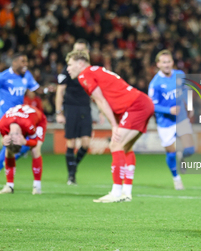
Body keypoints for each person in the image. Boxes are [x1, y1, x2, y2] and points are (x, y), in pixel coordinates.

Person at [66, 50, 154, 203]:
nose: (68, 68)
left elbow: (100, 100)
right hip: (142, 103)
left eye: (70, 64)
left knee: (115, 144)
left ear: (80, 63)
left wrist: (114, 125)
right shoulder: (97, 70)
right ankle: (126, 193)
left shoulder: (84, 74)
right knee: (126, 148)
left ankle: (116, 192)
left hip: (135, 106)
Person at [0, 52, 39, 187]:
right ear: (14, 62)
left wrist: (48, 90)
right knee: (11, 143)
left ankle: (3, 164)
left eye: (26, 61)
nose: (25, 65)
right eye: (23, 61)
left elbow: (36, 89)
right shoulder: (2, 76)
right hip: (6, 117)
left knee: (26, 145)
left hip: (20, 117)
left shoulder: (26, 75)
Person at [148, 50, 195, 190]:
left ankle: (182, 156)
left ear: (172, 62)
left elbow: (186, 90)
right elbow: (152, 105)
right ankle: (176, 178)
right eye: (163, 62)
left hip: (181, 118)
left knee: (190, 149)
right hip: (165, 122)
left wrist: (189, 104)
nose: (167, 64)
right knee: (170, 152)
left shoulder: (180, 75)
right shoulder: (155, 84)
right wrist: (169, 110)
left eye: (168, 61)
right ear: (158, 64)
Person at [55, 39, 92, 185]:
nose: (78, 53)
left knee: (86, 143)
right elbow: (60, 91)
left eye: (81, 51)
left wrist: (101, 111)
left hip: (85, 107)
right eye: (76, 50)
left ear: (86, 53)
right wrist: (59, 112)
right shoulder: (67, 69)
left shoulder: (90, 70)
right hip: (70, 107)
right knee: (71, 142)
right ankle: (71, 175)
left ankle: (73, 165)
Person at [0, 104, 46, 194]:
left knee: (35, 150)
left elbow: (34, 142)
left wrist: (25, 142)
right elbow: (4, 140)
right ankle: (9, 186)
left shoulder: (29, 125)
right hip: (20, 119)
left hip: (39, 121)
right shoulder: (1, 125)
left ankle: (37, 187)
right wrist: (3, 141)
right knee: (9, 151)